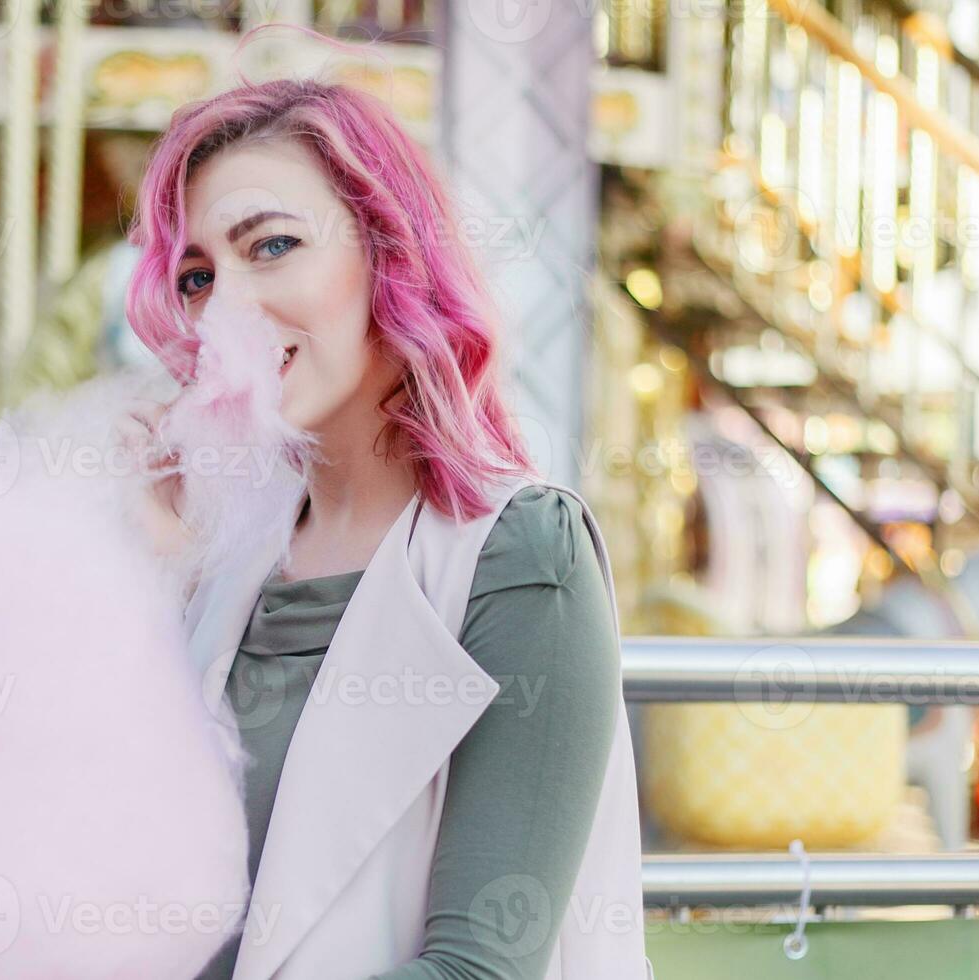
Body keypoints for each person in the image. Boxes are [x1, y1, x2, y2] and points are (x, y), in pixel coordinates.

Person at [119, 64, 649, 980]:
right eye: (198, 276)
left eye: (273, 245)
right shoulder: (225, 561)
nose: (224, 309)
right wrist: (145, 570)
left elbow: (479, 971)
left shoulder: (522, 556)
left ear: (390, 253)